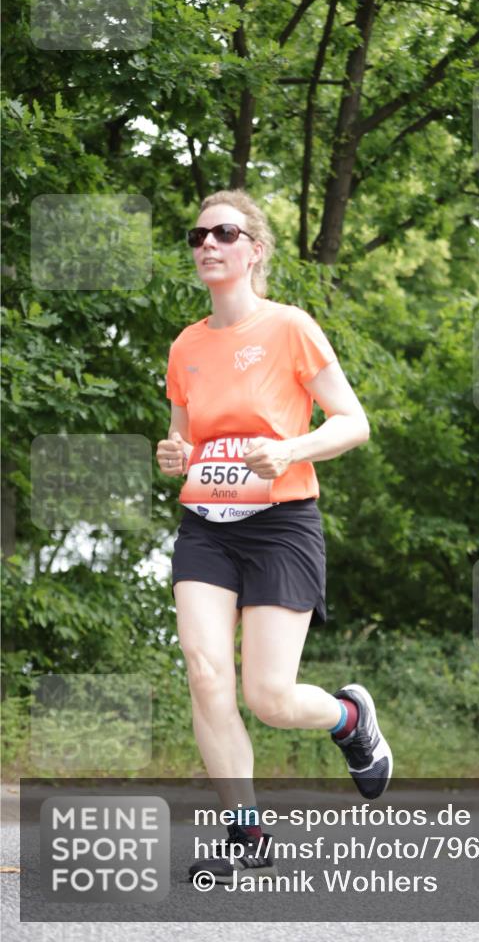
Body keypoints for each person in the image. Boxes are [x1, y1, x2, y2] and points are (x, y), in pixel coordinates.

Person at [155, 189, 392, 884]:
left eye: (223, 233)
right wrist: (173, 452)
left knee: (269, 696)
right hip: (206, 523)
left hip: (281, 523)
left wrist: (289, 450)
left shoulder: (290, 327)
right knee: (205, 675)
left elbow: (352, 422)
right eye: (197, 235)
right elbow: (182, 434)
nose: (206, 245)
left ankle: (348, 718)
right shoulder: (186, 345)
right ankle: (246, 832)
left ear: (254, 250)